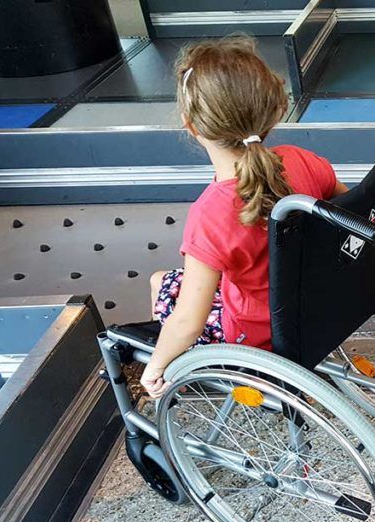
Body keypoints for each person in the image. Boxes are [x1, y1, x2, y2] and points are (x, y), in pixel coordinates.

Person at [141, 36, 347, 399]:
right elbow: (346, 211)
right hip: (318, 301)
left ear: (192, 126)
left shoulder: (210, 215)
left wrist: (155, 368)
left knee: (162, 283)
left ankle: (201, 380)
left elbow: (189, 322)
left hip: (260, 332)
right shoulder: (300, 160)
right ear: (271, 110)